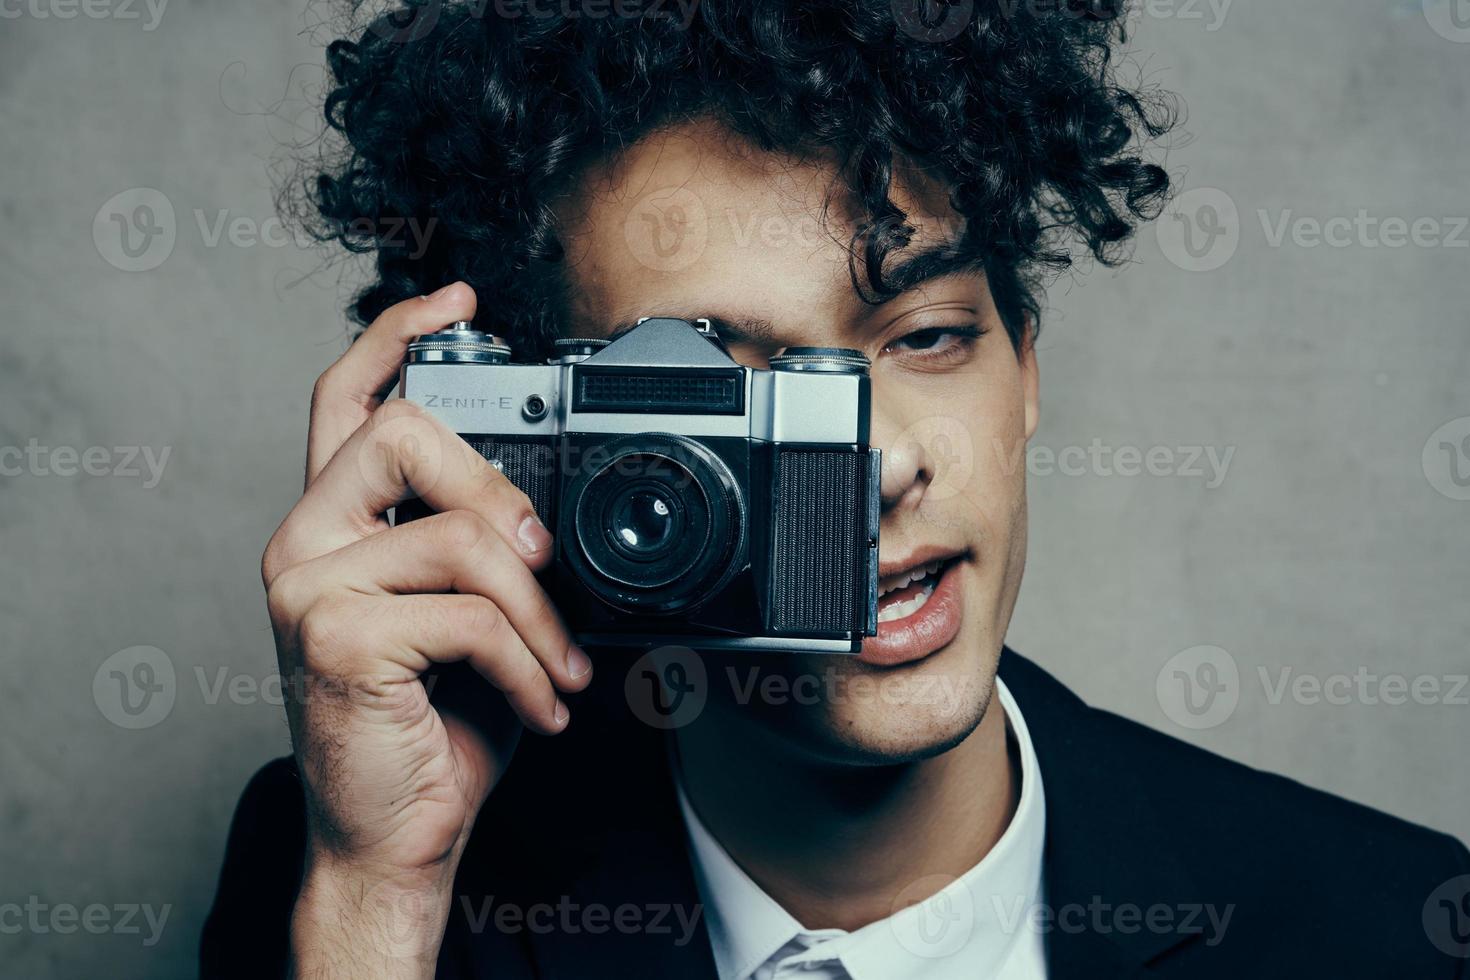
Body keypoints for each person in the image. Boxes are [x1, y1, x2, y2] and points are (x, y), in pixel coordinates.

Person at [201, 2, 1470, 977]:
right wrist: (379, 897)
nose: (878, 466)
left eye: (925, 337)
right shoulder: (349, 875)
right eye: (724, 386)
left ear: (1026, 365)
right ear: (546, 454)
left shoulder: (1388, 925)